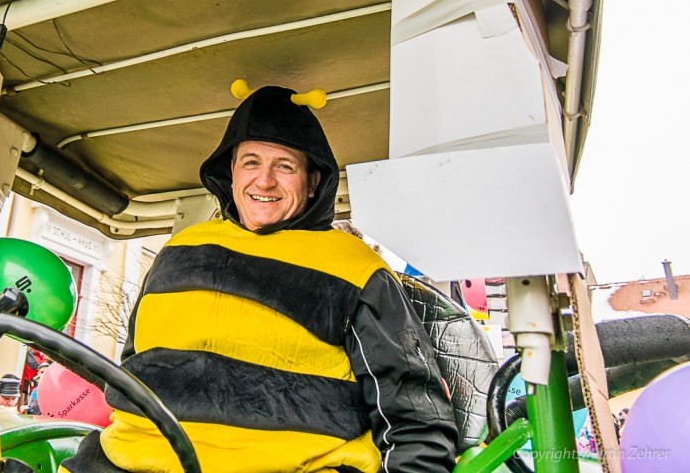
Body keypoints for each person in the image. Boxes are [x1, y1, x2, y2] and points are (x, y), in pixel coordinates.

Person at [61, 85, 457, 473]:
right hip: (127, 460)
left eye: (284, 166)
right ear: (231, 172)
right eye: (251, 162)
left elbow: (414, 413)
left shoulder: (357, 268)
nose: (264, 181)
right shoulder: (175, 252)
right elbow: (133, 370)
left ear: (313, 181)